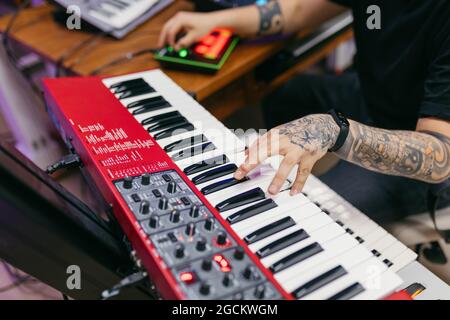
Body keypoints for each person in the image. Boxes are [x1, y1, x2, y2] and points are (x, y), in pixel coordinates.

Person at [159, 0, 450, 222]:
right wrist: (216, 20)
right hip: (371, 97)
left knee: (308, 216)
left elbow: (439, 157)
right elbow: (297, 10)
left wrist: (335, 130)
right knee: (279, 97)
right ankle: (284, 173)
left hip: (417, 152)